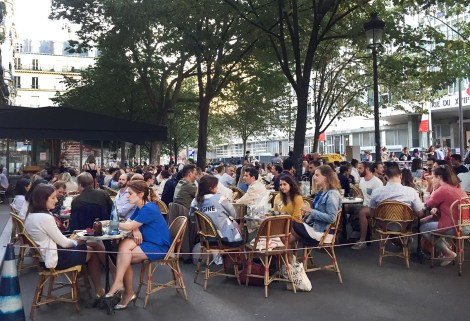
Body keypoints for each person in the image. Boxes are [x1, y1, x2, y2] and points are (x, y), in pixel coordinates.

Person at [24, 184, 106, 297]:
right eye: (53, 197)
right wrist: (77, 241)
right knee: (93, 248)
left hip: (47, 255)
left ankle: (101, 285)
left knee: (93, 243)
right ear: (42, 199)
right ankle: (104, 284)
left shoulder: (32, 215)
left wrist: (77, 240)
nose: (56, 200)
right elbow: (64, 243)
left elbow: (59, 239)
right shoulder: (45, 218)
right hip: (56, 258)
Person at [103, 180, 170, 310]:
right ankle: (121, 286)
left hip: (158, 245)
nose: (127, 196)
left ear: (140, 194)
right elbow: (130, 223)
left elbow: (128, 225)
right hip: (147, 240)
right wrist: (135, 229)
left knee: (124, 256)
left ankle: (124, 289)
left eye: (130, 193)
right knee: (124, 248)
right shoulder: (140, 207)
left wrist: (108, 223)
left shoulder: (149, 208)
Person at [288, 165, 341, 260]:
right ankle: (289, 261)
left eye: (317, 175)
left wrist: (311, 211)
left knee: (287, 226)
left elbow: (332, 218)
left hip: (319, 232)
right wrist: (309, 213)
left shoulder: (332, 194)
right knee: (287, 235)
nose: (314, 177)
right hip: (314, 228)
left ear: (326, 177)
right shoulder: (323, 192)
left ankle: (288, 261)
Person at [420, 165, 468, 266]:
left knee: (424, 228)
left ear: (439, 177)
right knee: (430, 224)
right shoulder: (457, 187)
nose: (432, 180)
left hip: (453, 227)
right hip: (465, 225)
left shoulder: (443, 189)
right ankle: (446, 248)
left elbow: (428, 204)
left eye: (433, 177)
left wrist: (431, 189)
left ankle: (447, 252)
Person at [189, 175, 243, 246]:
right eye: (216, 186)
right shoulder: (220, 198)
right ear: (211, 188)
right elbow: (234, 214)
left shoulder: (195, 201)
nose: (217, 188)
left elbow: (192, 218)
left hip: (206, 239)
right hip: (226, 239)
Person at [351, 162, 383, 249]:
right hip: (365, 204)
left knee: (362, 212)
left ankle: (362, 240)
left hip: (376, 208)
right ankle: (348, 234)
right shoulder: (362, 181)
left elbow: (379, 200)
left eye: (361, 168)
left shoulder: (377, 182)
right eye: (358, 168)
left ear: (368, 169)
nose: (358, 170)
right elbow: (362, 195)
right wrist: (355, 198)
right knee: (346, 208)